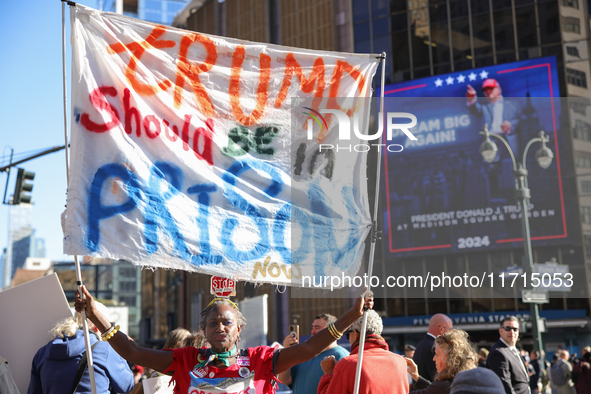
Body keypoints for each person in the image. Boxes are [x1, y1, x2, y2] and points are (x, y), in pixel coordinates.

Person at [75, 285, 372, 394]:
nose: (220, 327)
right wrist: (94, 313)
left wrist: (350, 316)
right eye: (213, 323)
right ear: (203, 329)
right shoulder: (185, 360)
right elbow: (133, 351)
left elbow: (308, 348)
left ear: (238, 329)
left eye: (226, 322)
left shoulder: (259, 360)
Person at [27, 315, 134, 394]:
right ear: (97, 328)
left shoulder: (42, 354)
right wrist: (119, 350)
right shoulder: (105, 350)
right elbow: (127, 386)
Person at [317, 310, 408, 394]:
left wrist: (328, 374)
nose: (348, 339)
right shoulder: (400, 362)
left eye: (348, 335)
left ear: (355, 334)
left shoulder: (348, 364)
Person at [277, 314, 349, 394]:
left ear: (332, 330)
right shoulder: (303, 353)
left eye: (317, 328)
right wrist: (287, 350)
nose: (312, 331)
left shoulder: (342, 356)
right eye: (312, 327)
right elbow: (284, 380)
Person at [406, 329, 477, 394]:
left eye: (437, 354)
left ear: (448, 357)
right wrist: (417, 377)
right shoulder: (464, 381)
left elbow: (436, 390)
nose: (434, 358)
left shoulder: (443, 386)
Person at [466, 78, 522, 156]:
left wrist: (510, 125)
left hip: (508, 141)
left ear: (499, 89)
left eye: (491, 89)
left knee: (511, 163)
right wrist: (472, 99)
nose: (488, 91)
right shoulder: (484, 107)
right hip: (491, 142)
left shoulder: (513, 104)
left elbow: (521, 120)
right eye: (486, 90)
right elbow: (474, 109)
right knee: (493, 166)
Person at [487, 316, 530, 394]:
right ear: (500, 331)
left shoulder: (513, 350)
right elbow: (505, 386)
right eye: (508, 328)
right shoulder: (498, 353)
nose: (512, 332)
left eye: (515, 329)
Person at [413, 314, 453, 382]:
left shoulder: (422, 344)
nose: (451, 333)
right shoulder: (433, 347)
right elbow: (437, 380)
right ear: (441, 329)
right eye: (450, 329)